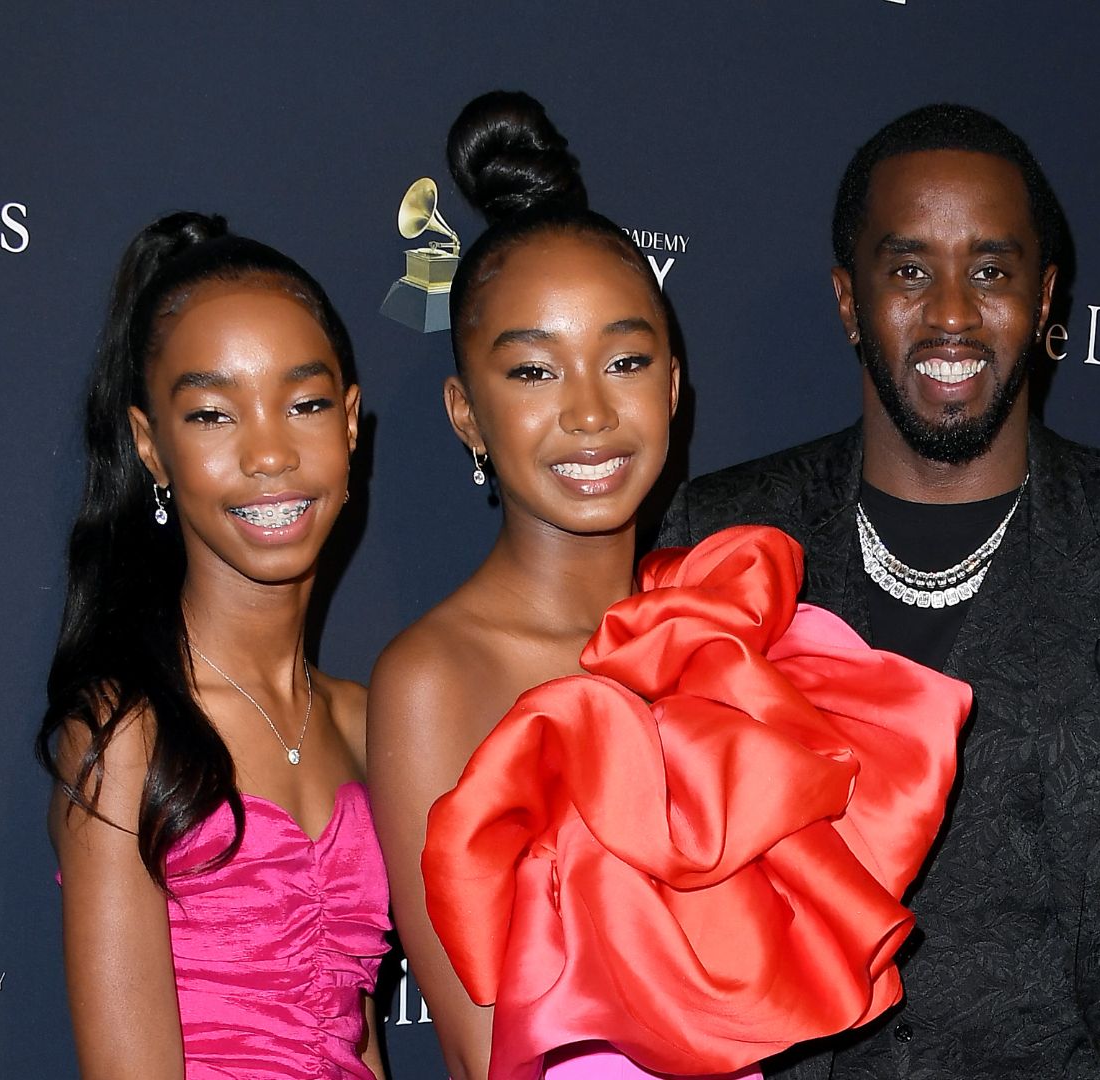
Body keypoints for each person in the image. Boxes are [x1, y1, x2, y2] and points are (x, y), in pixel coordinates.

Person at [656, 103, 1100, 1079]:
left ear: (1046, 296)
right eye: (908, 271)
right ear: (849, 300)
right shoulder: (727, 530)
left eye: (991, 270)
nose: (951, 312)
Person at [367, 91, 971, 1080]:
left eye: (626, 359)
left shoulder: (734, 629)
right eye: (533, 373)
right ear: (465, 413)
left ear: (675, 388)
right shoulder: (434, 676)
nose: (591, 412)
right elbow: (487, 1054)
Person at [38, 213, 387, 1080]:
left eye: (304, 403)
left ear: (349, 424)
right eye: (212, 415)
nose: (270, 452)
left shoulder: (370, 719)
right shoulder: (125, 739)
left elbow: (354, 1036)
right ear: (152, 447)